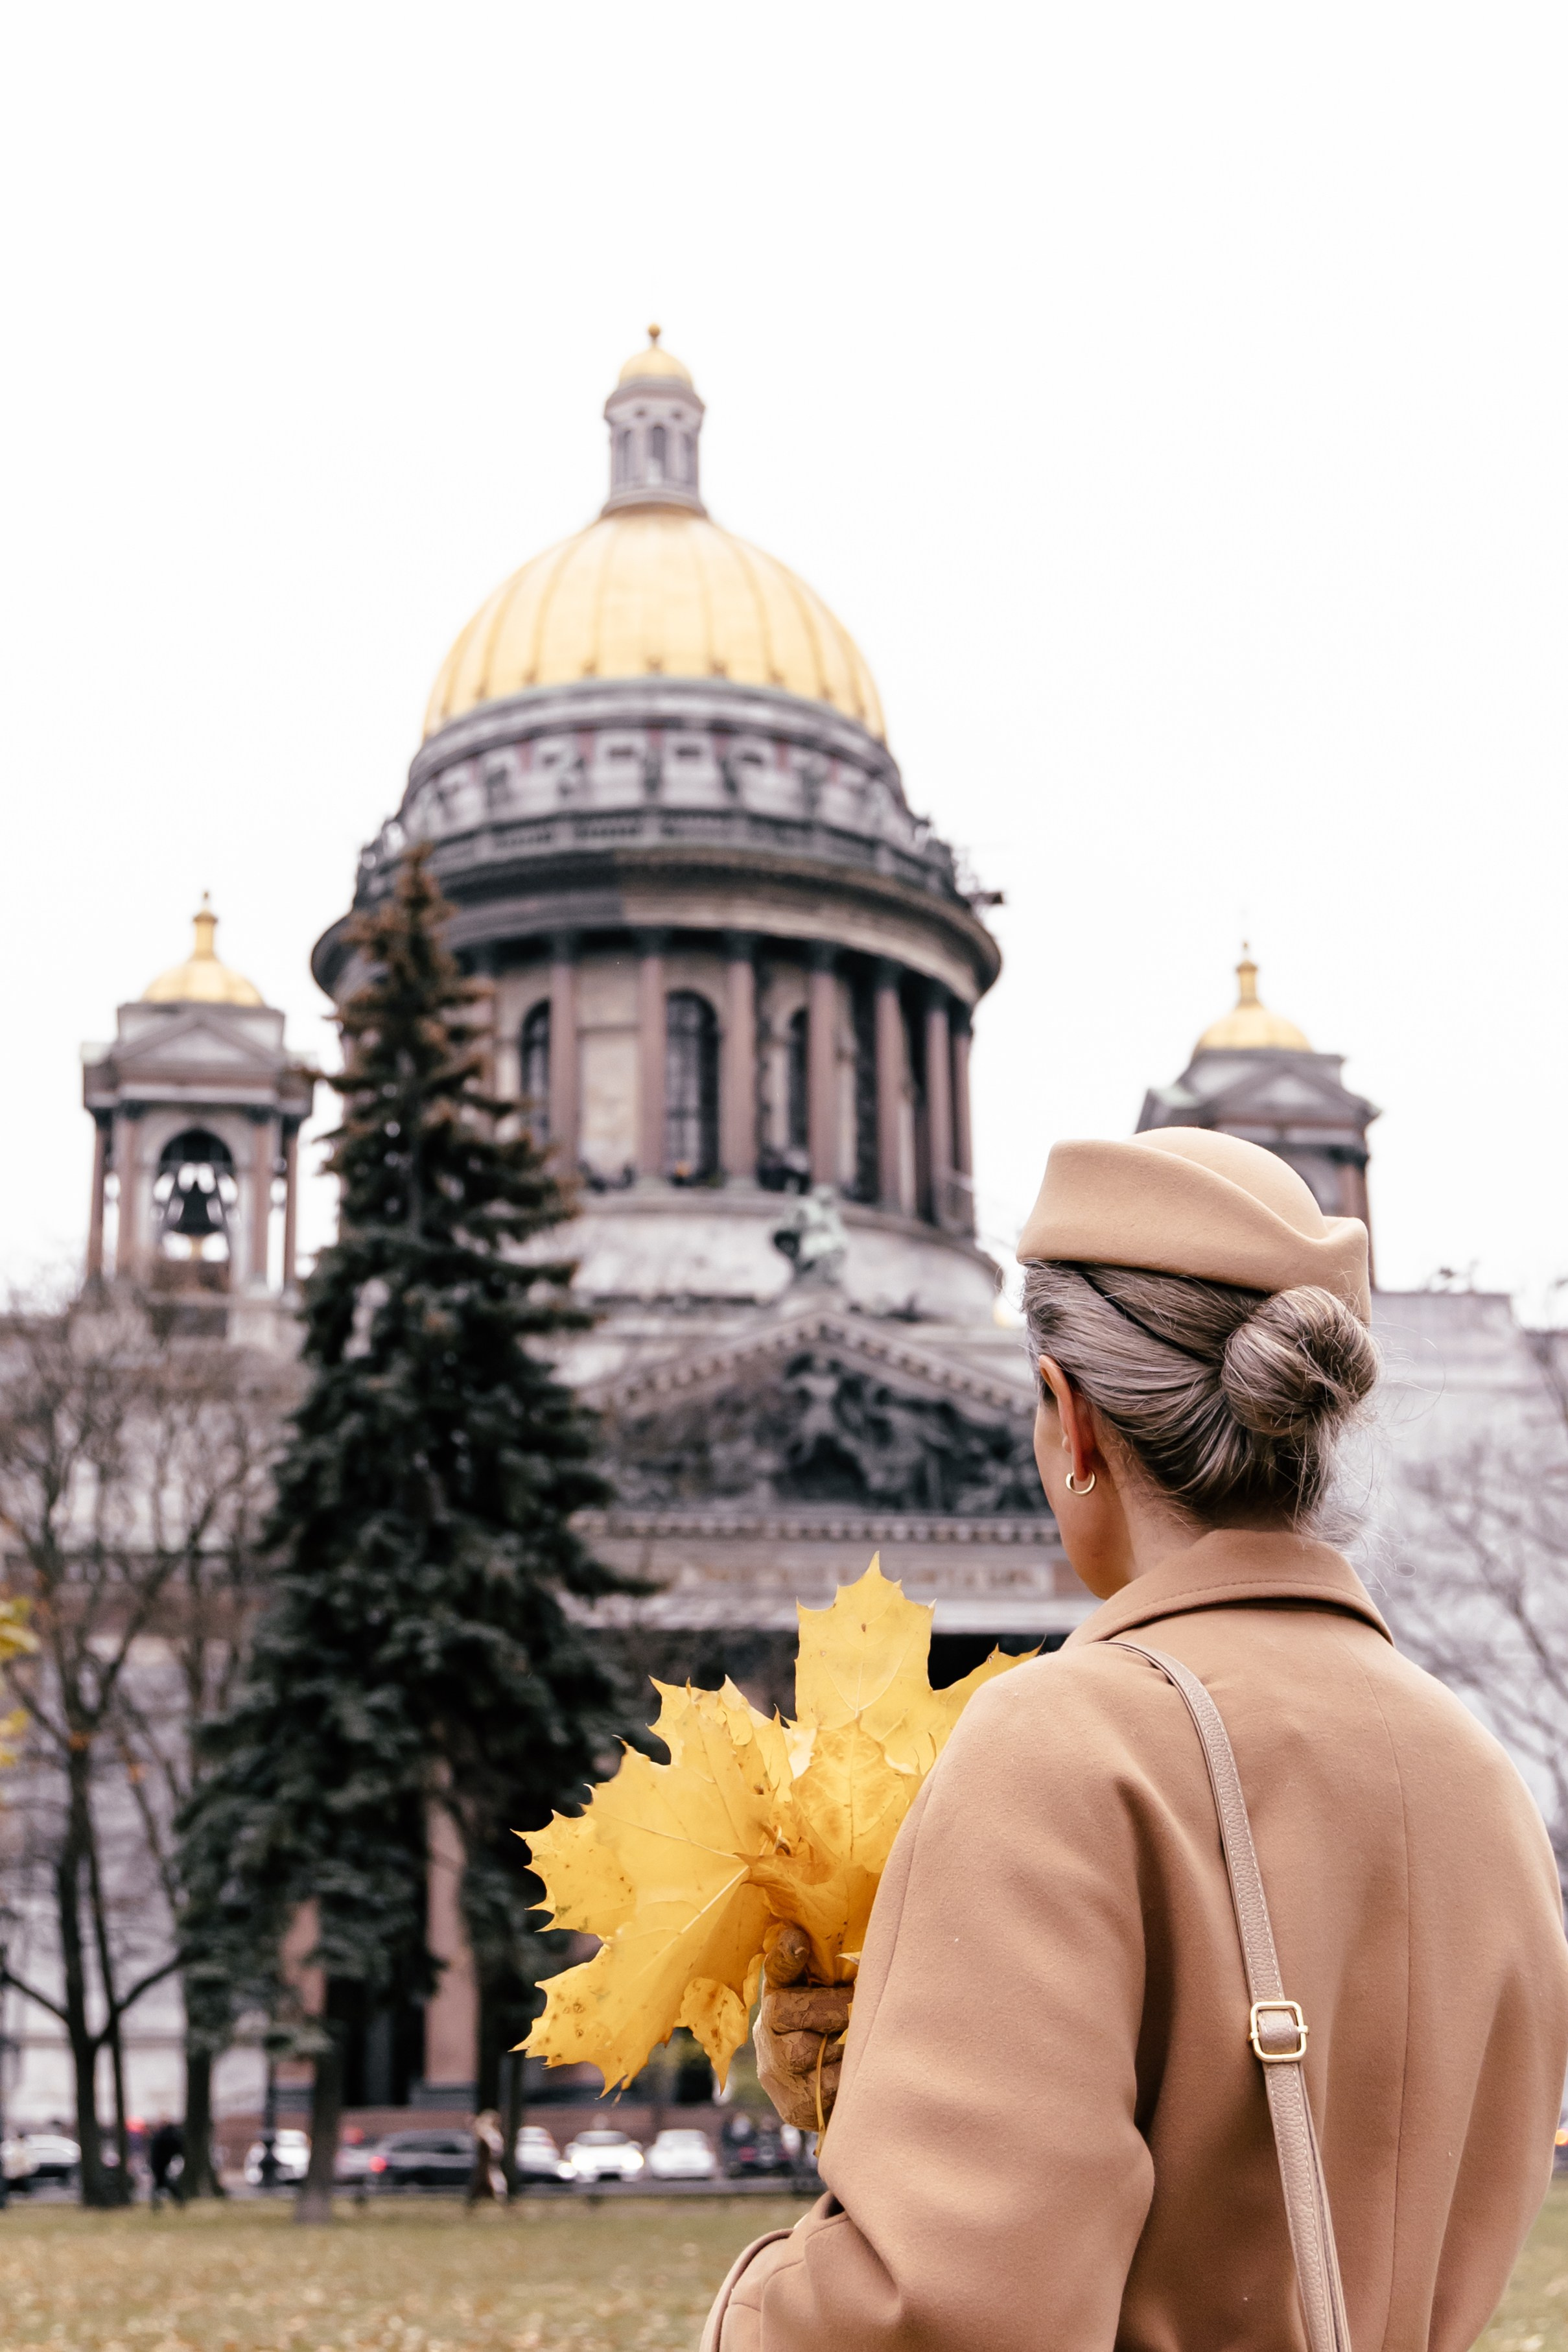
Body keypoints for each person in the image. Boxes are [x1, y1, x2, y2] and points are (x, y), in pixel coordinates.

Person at [706, 1129, 1568, 2352]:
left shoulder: (1063, 1741)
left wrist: (751, 2309)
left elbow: (945, 2319)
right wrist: (902, 2077)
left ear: (1073, 1421)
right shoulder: (1476, 1777)